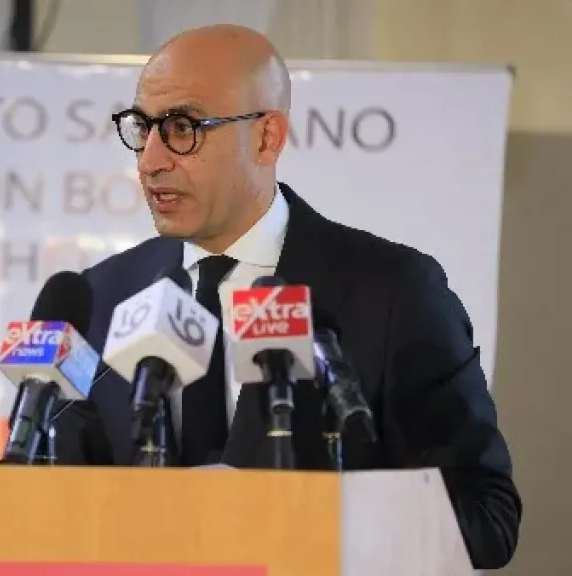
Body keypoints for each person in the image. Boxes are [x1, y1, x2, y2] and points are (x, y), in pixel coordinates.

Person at [49, 24, 521, 570]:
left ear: (267, 138)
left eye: (182, 128)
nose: (151, 160)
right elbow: (49, 497)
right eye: (142, 127)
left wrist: (303, 516)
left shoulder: (393, 292)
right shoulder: (105, 295)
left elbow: (486, 519)